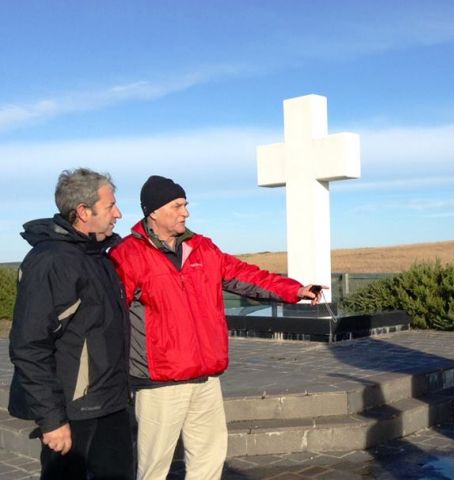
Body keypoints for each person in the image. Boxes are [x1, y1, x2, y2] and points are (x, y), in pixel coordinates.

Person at [109, 175, 322, 480]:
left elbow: (248, 276)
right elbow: (112, 319)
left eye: (186, 204)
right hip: (160, 382)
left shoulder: (203, 248)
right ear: (154, 211)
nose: (186, 212)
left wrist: (296, 290)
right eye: (178, 205)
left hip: (205, 378)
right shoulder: (127, 255)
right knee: (154, 467)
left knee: (208, 459)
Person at [8, 168, 133, 479]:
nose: (118, 213)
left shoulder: (97, 256)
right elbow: (29, 345)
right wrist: (52, 419)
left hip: (111, 404)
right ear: (82, 211)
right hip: (74, 412)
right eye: (110, 206)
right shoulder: (51, 261)